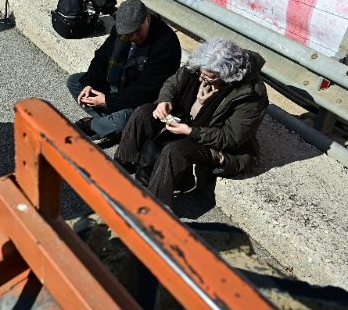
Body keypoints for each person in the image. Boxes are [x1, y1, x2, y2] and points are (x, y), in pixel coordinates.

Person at [114, 38, 268, 207]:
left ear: (227, 76)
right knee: (143, 113)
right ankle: (123, 164)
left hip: (220, 143)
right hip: (190, 120)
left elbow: (230, 138)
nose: (201, 78)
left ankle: (155, 206)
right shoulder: (199, 66)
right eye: (202, 72)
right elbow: (171, 84)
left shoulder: (251, 95)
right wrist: (165, 101)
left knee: (175, 150)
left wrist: (190, 132)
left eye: (210, 77)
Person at [66, 0, 181, 145]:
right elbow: (102, 56)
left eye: (137, 31)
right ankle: (108, 125)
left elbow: (147, 90)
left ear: (148, 18)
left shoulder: (166, 44)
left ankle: (93, 125)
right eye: (128, 34)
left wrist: (107, 101)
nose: (133, 38)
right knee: (75, 82)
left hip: (140, 100)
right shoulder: (121, 31)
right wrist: (90, 83)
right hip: (117, 86)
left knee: (124, 120)